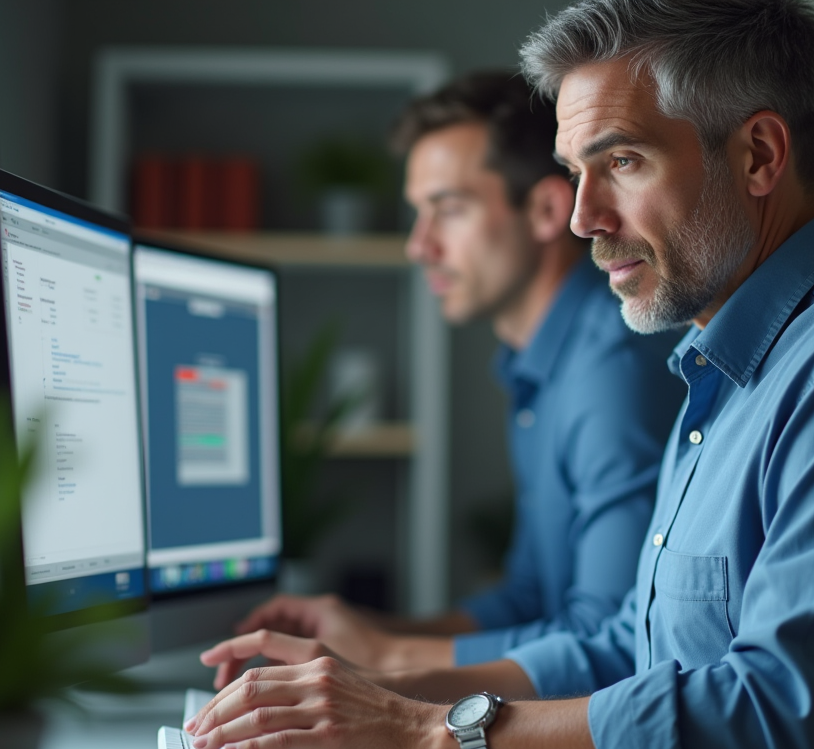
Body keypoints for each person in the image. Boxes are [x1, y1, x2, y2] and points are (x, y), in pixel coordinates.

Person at [187, 2, 814, 749]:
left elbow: (781, 729)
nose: (583, 217)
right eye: (576, 170)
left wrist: (418, 733)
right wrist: (377, 695)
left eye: (624, 162)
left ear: (759, 155)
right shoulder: (728, 365)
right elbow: (627, 652)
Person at [230, 72, 684, 674]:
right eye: (418, 214)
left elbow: (610, 641)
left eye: (448, 210)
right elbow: (528, 597)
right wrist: (362, 633)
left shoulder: (609, 371)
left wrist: (389, 657)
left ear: (547, 209)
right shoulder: (540, 366)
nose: (420, 246)